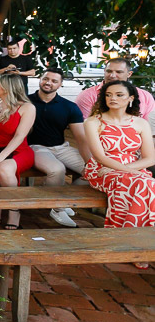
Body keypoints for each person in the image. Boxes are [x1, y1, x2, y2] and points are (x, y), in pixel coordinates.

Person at [83, 80, 155, 269]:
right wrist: (125, 170)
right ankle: (132, 245)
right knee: (142, 183)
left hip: (131, 169)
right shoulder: (93, 121)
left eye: (119, 95)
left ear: (131, 98)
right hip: (101, 169)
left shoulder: (140, 123)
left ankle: (138, 243)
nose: (112, 98)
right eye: (108, 95)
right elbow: (99, 156)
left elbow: (150, 158)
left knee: (146, 183)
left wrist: (127, 169)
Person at [27, 68, 92, 227]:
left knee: (93, 171)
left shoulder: (69, 107)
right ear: (40, 79)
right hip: (36, 147)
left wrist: (90, 161)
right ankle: (57, 207)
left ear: (61, 84)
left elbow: (81, 137)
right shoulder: (26, 101)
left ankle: (63, 200)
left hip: (62, 147)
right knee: (57, 169)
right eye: (45, 79)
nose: (48, 83)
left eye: (54, 81)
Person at [0, 74, 37, 230]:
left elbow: (19, 136)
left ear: (8, 88)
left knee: (3, 168)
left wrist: (1, 157)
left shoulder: (27, 107)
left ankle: (13, 209)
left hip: (18, 150)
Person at [75, 57, 154, 120]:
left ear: (129, 74)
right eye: (109, 71)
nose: (112, 75)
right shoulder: (87, 95)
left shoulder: (145, 96)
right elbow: (83, 129)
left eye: (118, 72)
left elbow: (150, 127)